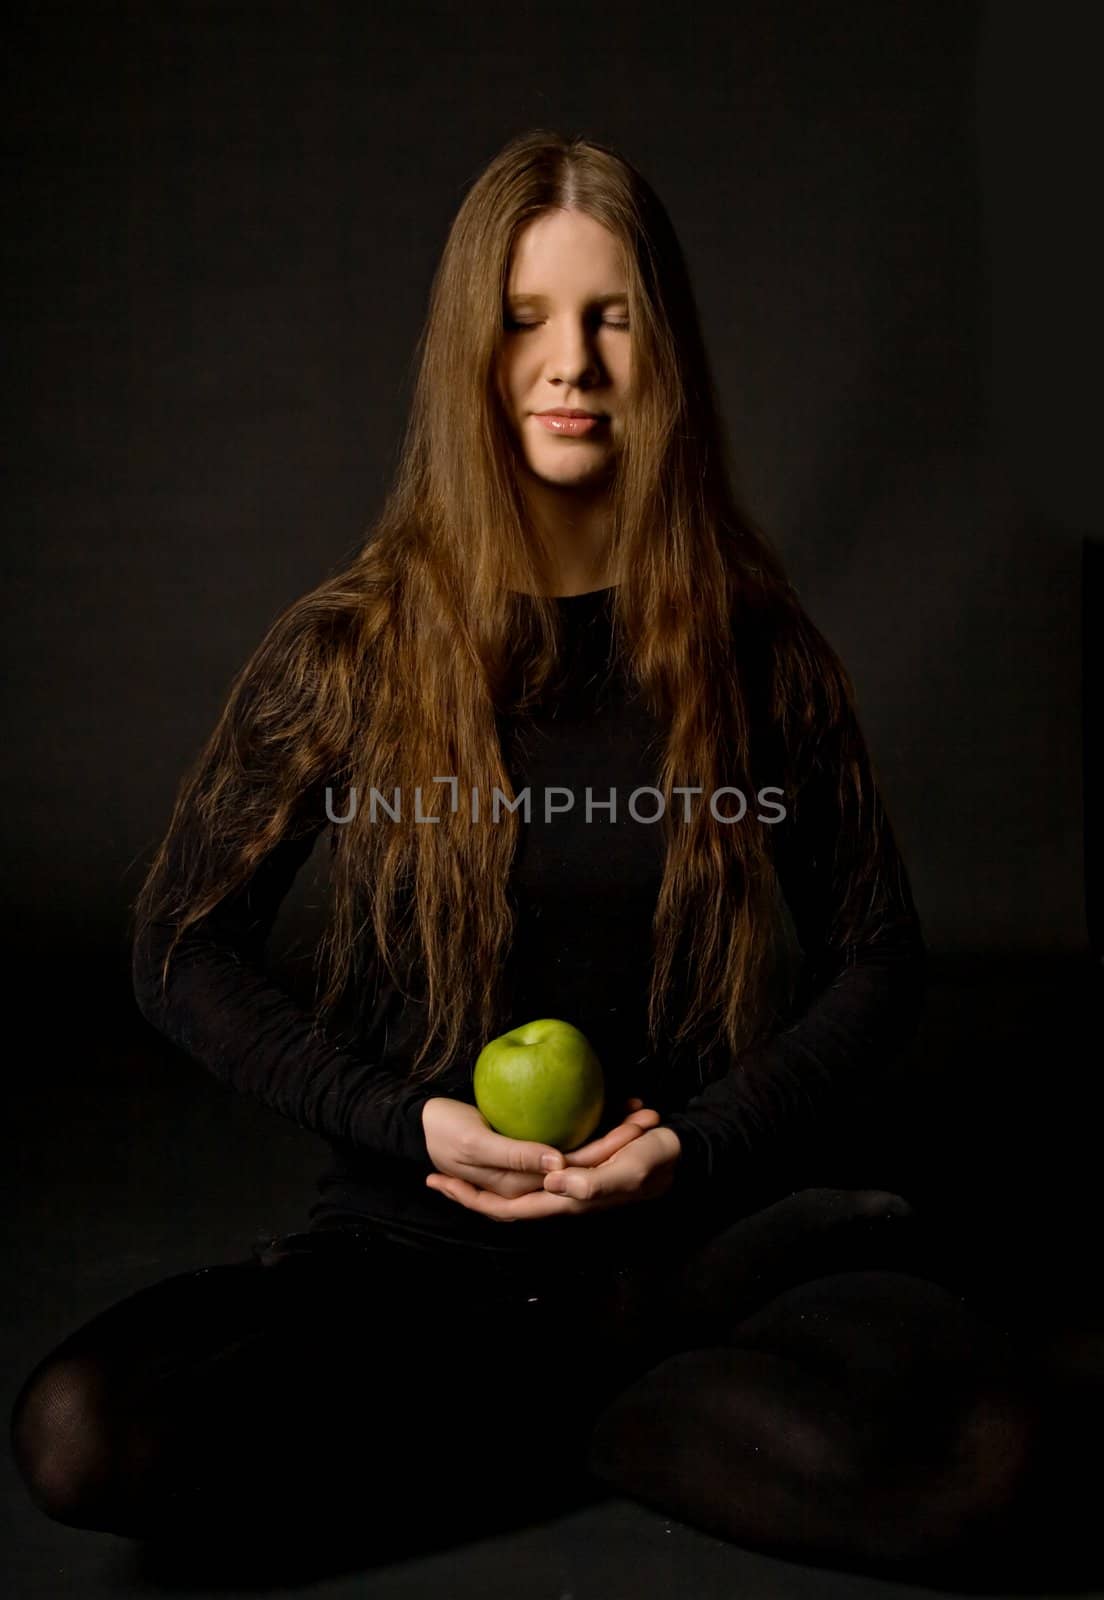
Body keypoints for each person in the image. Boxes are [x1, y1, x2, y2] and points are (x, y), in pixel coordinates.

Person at [6, 128, 1073, 1587]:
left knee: (993, 1462)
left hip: (698, 1238)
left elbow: (879, 959)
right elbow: (179, 950)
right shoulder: (352, 648)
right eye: (525, 321)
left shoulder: (761, 655)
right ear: (473, 355)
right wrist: (404, 1122)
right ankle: (573, 1403)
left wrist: (697, 1145)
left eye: (609, 316)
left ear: (663, 353)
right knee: (83, 1436)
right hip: (422, 1253)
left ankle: (538, 1414)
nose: (569, 361)